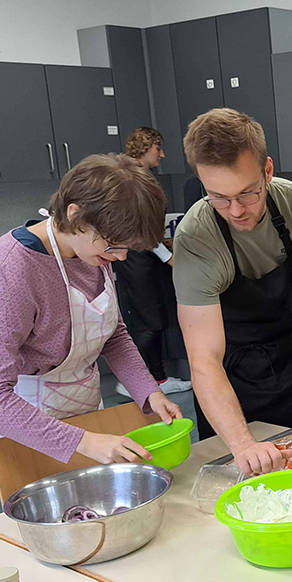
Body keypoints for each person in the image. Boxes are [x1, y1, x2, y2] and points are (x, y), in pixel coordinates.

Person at [0, 154, 184, 488]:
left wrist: (150, 392)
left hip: (81, 415)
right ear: (74, 214)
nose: (120, 257)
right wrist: (86, 442)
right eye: (113, 246)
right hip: (17, 428)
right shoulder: (8, 271)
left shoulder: (91, 252)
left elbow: (113, 336)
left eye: (127, 249)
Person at [173, 109, 292, 475]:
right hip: (228, 375)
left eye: (247, 193)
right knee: (244, 481)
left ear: (267, 170)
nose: (235, 210)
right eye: (218, 197)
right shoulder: (195, 238)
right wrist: (243, 443)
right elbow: (203, 360)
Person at [113, 127, 192, 397]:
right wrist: (168, 257)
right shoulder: (134, 183)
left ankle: (153, 378)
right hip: (137, 261)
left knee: (154, 319)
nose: (162, 154)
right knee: (148, 323)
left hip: (143, 259)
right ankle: (143, 380)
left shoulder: (138, 179)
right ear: (144, 148)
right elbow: (140, 230)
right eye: (157, 148)